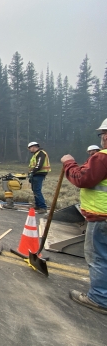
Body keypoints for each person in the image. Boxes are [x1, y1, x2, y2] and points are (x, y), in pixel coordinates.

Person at [60, 118, 107, 315]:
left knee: (98, 257)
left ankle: (99, 298)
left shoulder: (103, 158)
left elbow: (83, 178)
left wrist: (68, 163)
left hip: (101, 216)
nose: (103, 138)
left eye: (103, 134)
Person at [27, 142, 51, 214]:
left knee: (37, 190)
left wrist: (32, 172)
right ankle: (37, 205)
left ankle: (43, 207)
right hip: (36, 174)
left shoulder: (41, 153)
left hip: (39, 174)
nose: (30, 150)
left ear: (34, 147)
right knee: (34, 190)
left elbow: (38, 165)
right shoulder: (36, 154)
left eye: (30, 148)